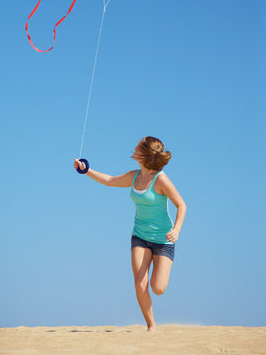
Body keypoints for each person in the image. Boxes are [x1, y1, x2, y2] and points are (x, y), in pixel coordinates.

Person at [74, 136, 187, 331]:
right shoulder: (134, 176)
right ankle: (151, 326)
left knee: (158, 288)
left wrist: (176, 229)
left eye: (138, 145)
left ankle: (153, 317)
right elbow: (109, 181)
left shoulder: (160, 179)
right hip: (140, 236)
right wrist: (86, 170)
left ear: (145, 153)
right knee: (139, 283)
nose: (134, 147)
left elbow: (181, 205)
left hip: (163, 239)